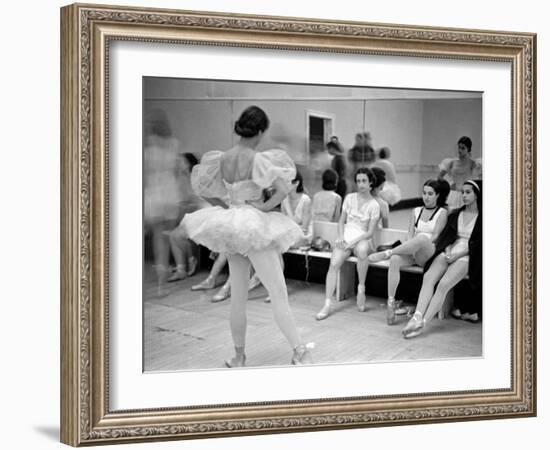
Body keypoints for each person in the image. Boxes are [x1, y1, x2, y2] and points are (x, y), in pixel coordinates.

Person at [181, 105, 312, 366]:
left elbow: (200, 186)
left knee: (238, 297)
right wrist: (263, 207)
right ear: (261, 130)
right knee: (278, 291)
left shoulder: (222, 158)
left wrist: (225, 204)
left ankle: (239, 356)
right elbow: (284, 188)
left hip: (232, 224)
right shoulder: (257, 158)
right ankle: (299, 351)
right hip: (252, 224)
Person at [401, 180, 482, 339]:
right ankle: (416, 316)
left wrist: (458, 255)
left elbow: (479, 245)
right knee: (428, 277)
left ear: (477, 195)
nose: (463, 195)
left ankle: (423, 323)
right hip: (450, 251)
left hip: (468, 255)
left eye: (468, 192)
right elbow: (447, 238)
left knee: (444, 284)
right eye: (462, 192)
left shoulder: (483, 218)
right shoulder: (455, 214)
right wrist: (448, 251)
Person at [369, 179, 450, 325]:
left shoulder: (442, 212)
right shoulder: (416, 211)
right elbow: (409, 235)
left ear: (438, 195)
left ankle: (387, 252)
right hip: (413, 252)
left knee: (422, 238)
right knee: (395, 260)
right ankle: (391, 303)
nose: (426, 197)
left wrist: (415, 244)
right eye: (424, 193)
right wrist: (410, 248)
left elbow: (436, 237)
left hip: (429, 254)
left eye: (430, 194)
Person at [316, 168, 381, 320]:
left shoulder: (374, 205)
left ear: (371, 182)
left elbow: (370, 232)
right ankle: (327, 304)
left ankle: (361, 288)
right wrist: (340, 237)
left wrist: (352, 242)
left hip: (362, 238)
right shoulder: (349, 198)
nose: (361, 184)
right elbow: (341, 221)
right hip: (346, 237)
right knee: (334, 263)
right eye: (358, 181)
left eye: (364, 181)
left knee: (363, 250)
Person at [143, 109, 183, 295]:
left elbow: (144, 174)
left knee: (153, 238)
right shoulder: (173, 144)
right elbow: (176, 171)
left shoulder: (148, 146)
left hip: (154, 193)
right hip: (170, 193)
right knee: (164, 241)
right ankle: (161, 285)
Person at [167, 152, 206, 282]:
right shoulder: (184, 178)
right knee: (175, 233)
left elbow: (201, 197)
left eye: (181, 162)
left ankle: (184, 266)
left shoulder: (198, 176)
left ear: (189, 163)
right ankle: (186, 263)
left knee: (175, 234)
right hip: (195, 212)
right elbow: (186, 199)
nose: (178, 164)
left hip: (205, 211)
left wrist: (189, 204)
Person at [438, 136, 482, 209]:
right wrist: (449, 184)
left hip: (466, 195)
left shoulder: (473, 164)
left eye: (463, 148)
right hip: (453, 194)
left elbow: (479, 178)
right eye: (459, 147)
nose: (460, 150)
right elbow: (439, 177)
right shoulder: (451, 162)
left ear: (468, 149)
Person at [281, 170, 313, 246]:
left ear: (296, 183)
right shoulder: (284, 200)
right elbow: (283, 224)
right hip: (289, 236)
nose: (284, 185)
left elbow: (304, 229)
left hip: (303, 237)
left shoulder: (306, 200)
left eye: (287, 182)